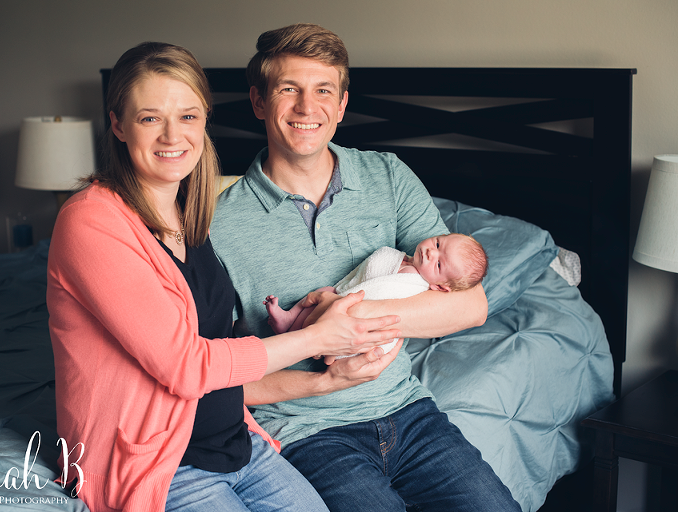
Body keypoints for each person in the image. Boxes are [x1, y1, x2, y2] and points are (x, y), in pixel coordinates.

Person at [46, 41, 401, 512]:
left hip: (238, 444)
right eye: (150, 118)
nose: (172, 135)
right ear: (118, 124)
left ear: (204, 122)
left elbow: (222, 347)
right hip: (157, 462)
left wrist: (322, 369)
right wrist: (318, 337)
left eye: (188, 116)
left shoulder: (192, 214)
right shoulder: (90, 220)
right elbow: (185, 366)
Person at [209, 24, 522, 512]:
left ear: (341, 105)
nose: (306, 108)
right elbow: (213, 374)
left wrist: (348, 318)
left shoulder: (387, 176)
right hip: (305, 430)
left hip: (407, 411)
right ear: (258, 101)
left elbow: (470, 304)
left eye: (323, 91)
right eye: (289, 89)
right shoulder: (217, 223)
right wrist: (324, 371)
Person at [264, 234, 489, 356]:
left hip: (352, 321)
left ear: (440, 287)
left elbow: (379, 295)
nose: (431, 252)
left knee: (324, 303)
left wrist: (348, 306)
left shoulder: (414, 284)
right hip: (340, 297)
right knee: (324, 292)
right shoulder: (402, 259)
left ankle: (289, 332)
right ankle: (289, 317)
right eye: (438, 243)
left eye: (438, 264)